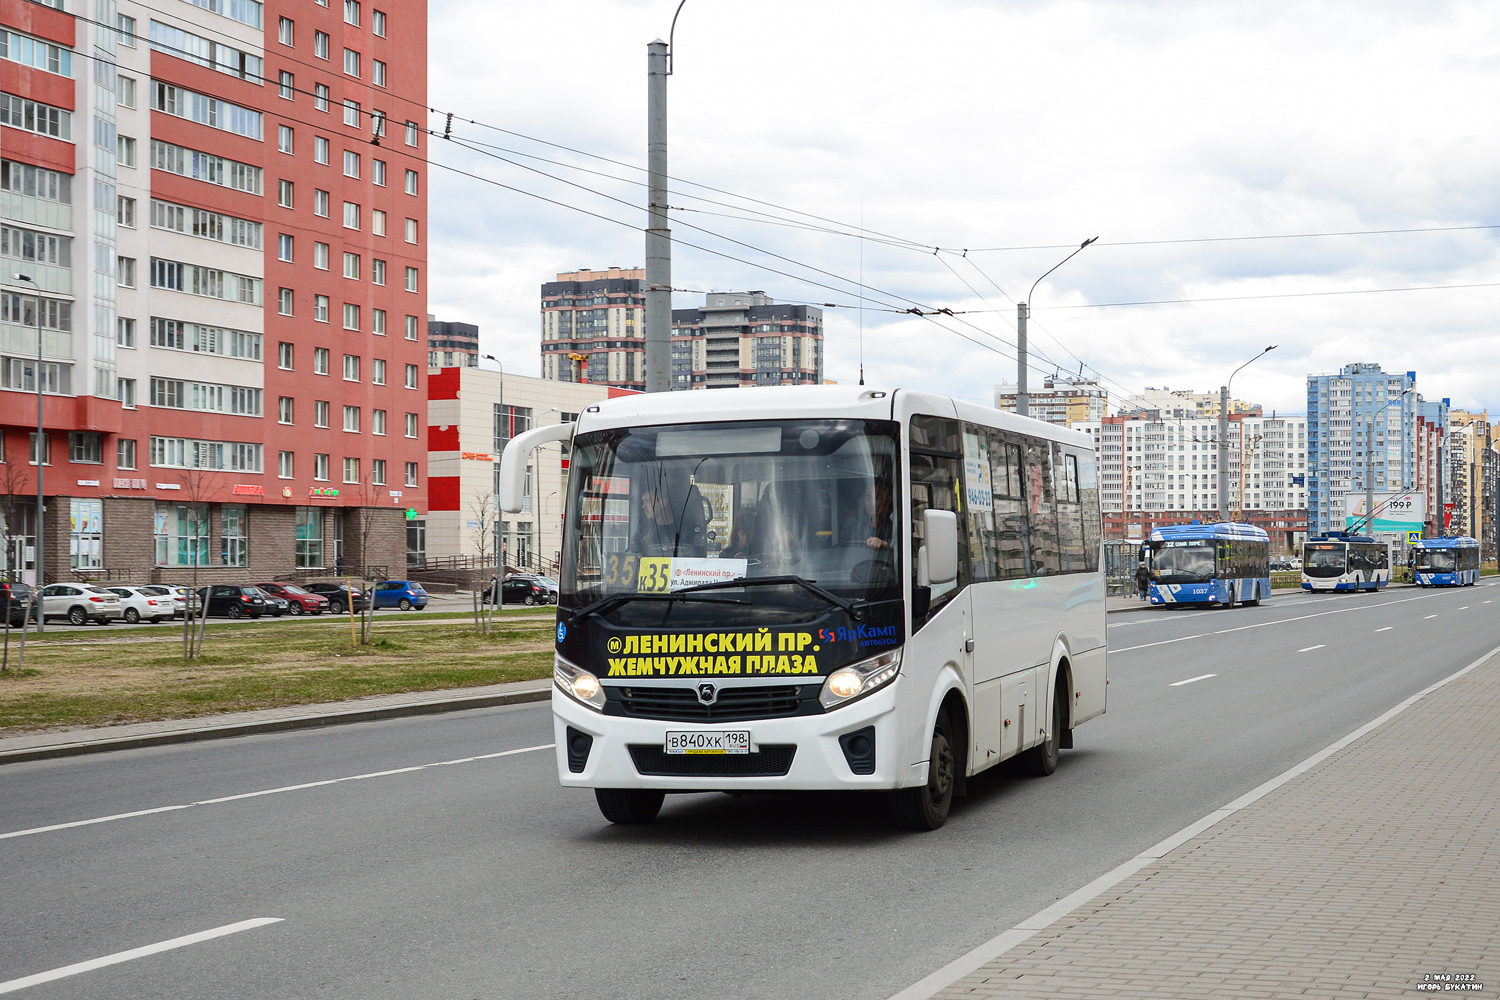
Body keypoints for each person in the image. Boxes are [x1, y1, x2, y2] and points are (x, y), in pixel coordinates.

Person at [634, 479, 708, 558]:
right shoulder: (642, 532)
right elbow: (631, 556)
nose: (643, 506)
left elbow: (699, 561)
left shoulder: (690, 530)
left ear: (663, 503)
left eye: (647, 501)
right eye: (643, 502)